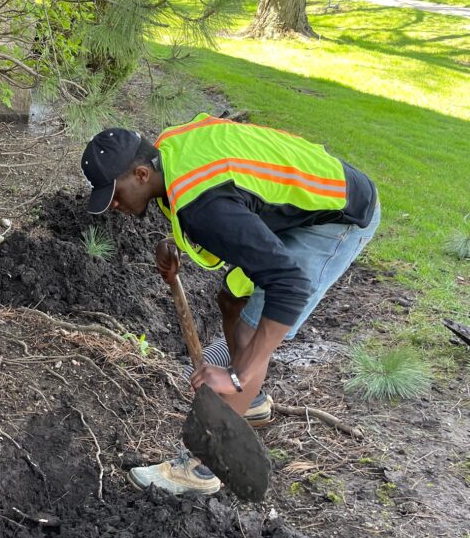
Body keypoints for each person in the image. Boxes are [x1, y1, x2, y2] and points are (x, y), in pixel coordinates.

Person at [80, 114, 379, 495]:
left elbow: (289, 285)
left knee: (254, 328)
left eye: (115, 195)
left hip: (337, 215)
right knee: (230, 299)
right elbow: (220, 199)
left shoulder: (203, 205)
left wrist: (236, 374)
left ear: (140, 174)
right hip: (296, 208)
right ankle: (249, 401)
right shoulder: (167, 153)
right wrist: (175, 248)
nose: (113, 206)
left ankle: (204, 467)